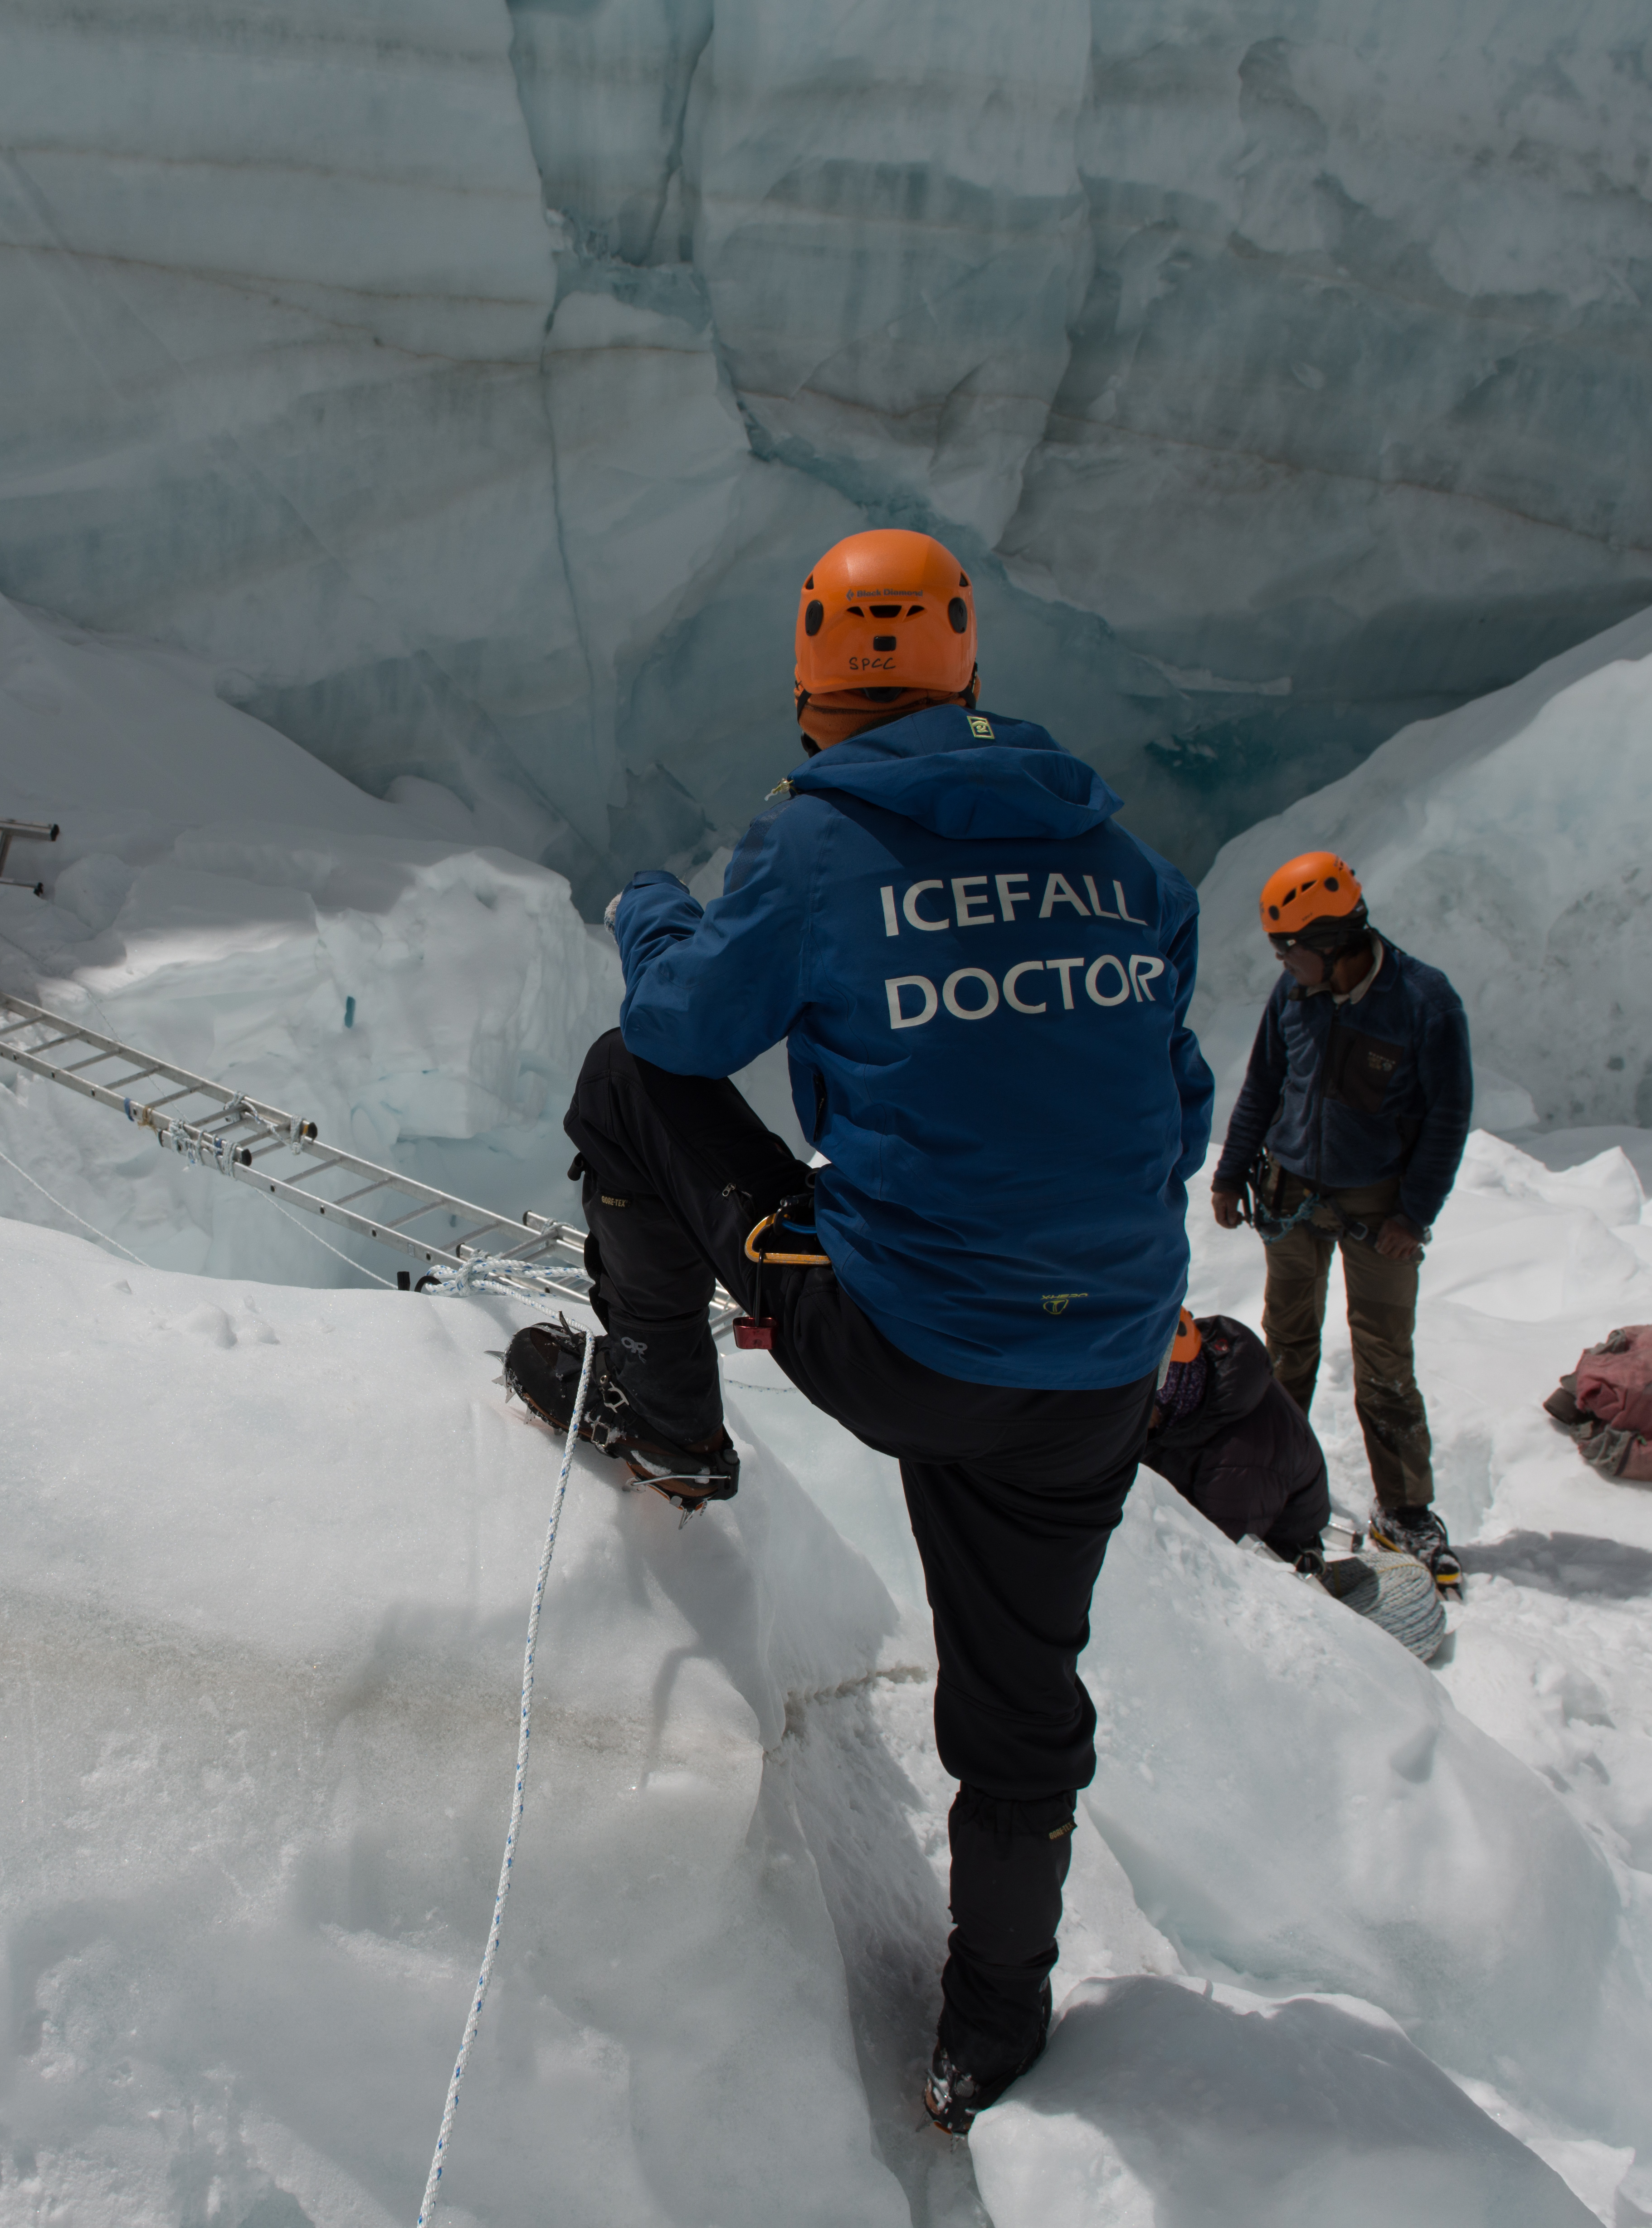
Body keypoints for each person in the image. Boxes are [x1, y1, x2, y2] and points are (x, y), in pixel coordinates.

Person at [500, 526, 1212, 2134]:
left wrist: (650, 908)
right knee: (1026, 1701)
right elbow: (1174, 1107)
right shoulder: (1121, 863)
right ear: (970, 661)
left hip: (904, 1338)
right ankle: (991, 2037)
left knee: (632, 1085)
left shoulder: (818, 845)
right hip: (1100, 1361)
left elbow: (686, 1027)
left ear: (817, 681)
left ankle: (669, 1414)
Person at [1207, 851, 1472, 1590]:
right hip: (1292, 1194)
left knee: (1385, 1358)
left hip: (1378, 1206)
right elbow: (1264, 1082)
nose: (1283, 962)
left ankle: (1407, 1509)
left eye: (1289, 948)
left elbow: (1449, 1117)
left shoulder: (1425, 1002)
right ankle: (1280, 1491)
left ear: (1331, 943)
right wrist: (1232, 1173)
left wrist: (1414, 1215)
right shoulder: (1295, 996)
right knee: (1286, 1350)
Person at [1143, 1309, 1329, 1568]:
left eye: (1135, 1399)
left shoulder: (1240, 1460)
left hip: (1272, 1556)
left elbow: (1216, 1559)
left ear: (1167, 1391)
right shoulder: (1191, 1391)